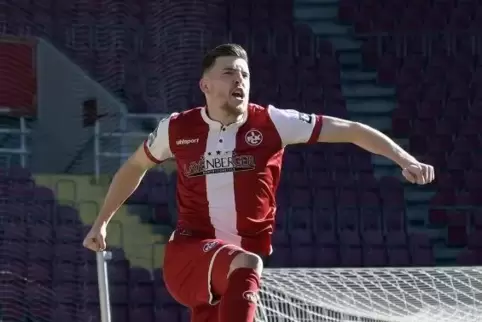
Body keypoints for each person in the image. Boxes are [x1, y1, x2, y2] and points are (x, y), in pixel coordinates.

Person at [83, 43, 435, 322]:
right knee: (247, 263)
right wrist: (101, 223)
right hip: (190, 254)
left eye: (245, 75)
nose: (239, 80)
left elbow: (351, 130)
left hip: (231, 278)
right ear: (205, 85)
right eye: (229, 73)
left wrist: (404, 159)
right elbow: (133, 166)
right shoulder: (177, 128)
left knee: (245, 265)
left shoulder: (274, 122)